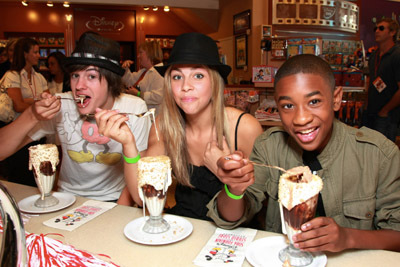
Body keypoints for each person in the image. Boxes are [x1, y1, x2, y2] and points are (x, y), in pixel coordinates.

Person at [209, 54, 400, 252]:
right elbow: (230, 219)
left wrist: (348, 238)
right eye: (288, 106)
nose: (301, 119)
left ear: (336, 99)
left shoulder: (379, 155)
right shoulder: (269, 147)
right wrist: (234, 188)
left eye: (314, 101)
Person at [95, 32, 263, 219]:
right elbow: (143, 198)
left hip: (229, 237)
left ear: (215, 83)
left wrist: (227, 179)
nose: (186, 86)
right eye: (177, 77)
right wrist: (128, 144)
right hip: (182, 227)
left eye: (198, 75)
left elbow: (245, 213)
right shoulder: (164, 126)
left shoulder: (244, 128)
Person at [0, 33, 151, 202]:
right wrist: (32, 115)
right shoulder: (61, 105)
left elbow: (139, 176)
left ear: (112, 82)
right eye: (75, 75)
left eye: (91, 76)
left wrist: (117, 211)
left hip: (115, 198)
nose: (79, 86)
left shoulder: (134, 108)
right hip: (67, 198)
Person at [364, 17, 400, 142]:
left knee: (383, 155)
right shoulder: (374, 56)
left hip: (387, 117)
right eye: (375, 28)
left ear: (392, 32)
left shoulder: (397, 55)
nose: (377, 31)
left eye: (381, 28)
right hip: (371, 113)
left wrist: (385, 110)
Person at [3, 37, 48, 115]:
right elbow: (18, 106)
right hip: (19, 124)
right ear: (25, 54)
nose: (39, 55)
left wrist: (27, 100)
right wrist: (38, 101)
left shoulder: (39, 77)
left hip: (40, 124)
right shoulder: (12, 75)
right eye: (35, 52)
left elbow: (48, 101)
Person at [121, 40, 164, 114]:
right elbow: (129, 82)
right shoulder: (143, 71)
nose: (138, 56)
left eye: (141, 52)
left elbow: (158, 97)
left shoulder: (160, 72)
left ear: (150, 53)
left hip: (155, 118)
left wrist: (138, 94)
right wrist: (125, 69)